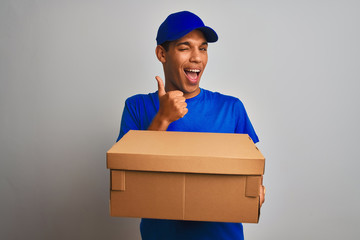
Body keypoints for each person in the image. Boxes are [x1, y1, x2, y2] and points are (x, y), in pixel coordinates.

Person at [116, 10, 265, 240]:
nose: (197, 58)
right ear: (162, 53)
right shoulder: (137, 107)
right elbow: (130, 182)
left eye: (203, 48)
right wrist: (162, 119)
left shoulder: (231, 108)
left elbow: (252, 171)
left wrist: (257, 191)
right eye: (185, 48)